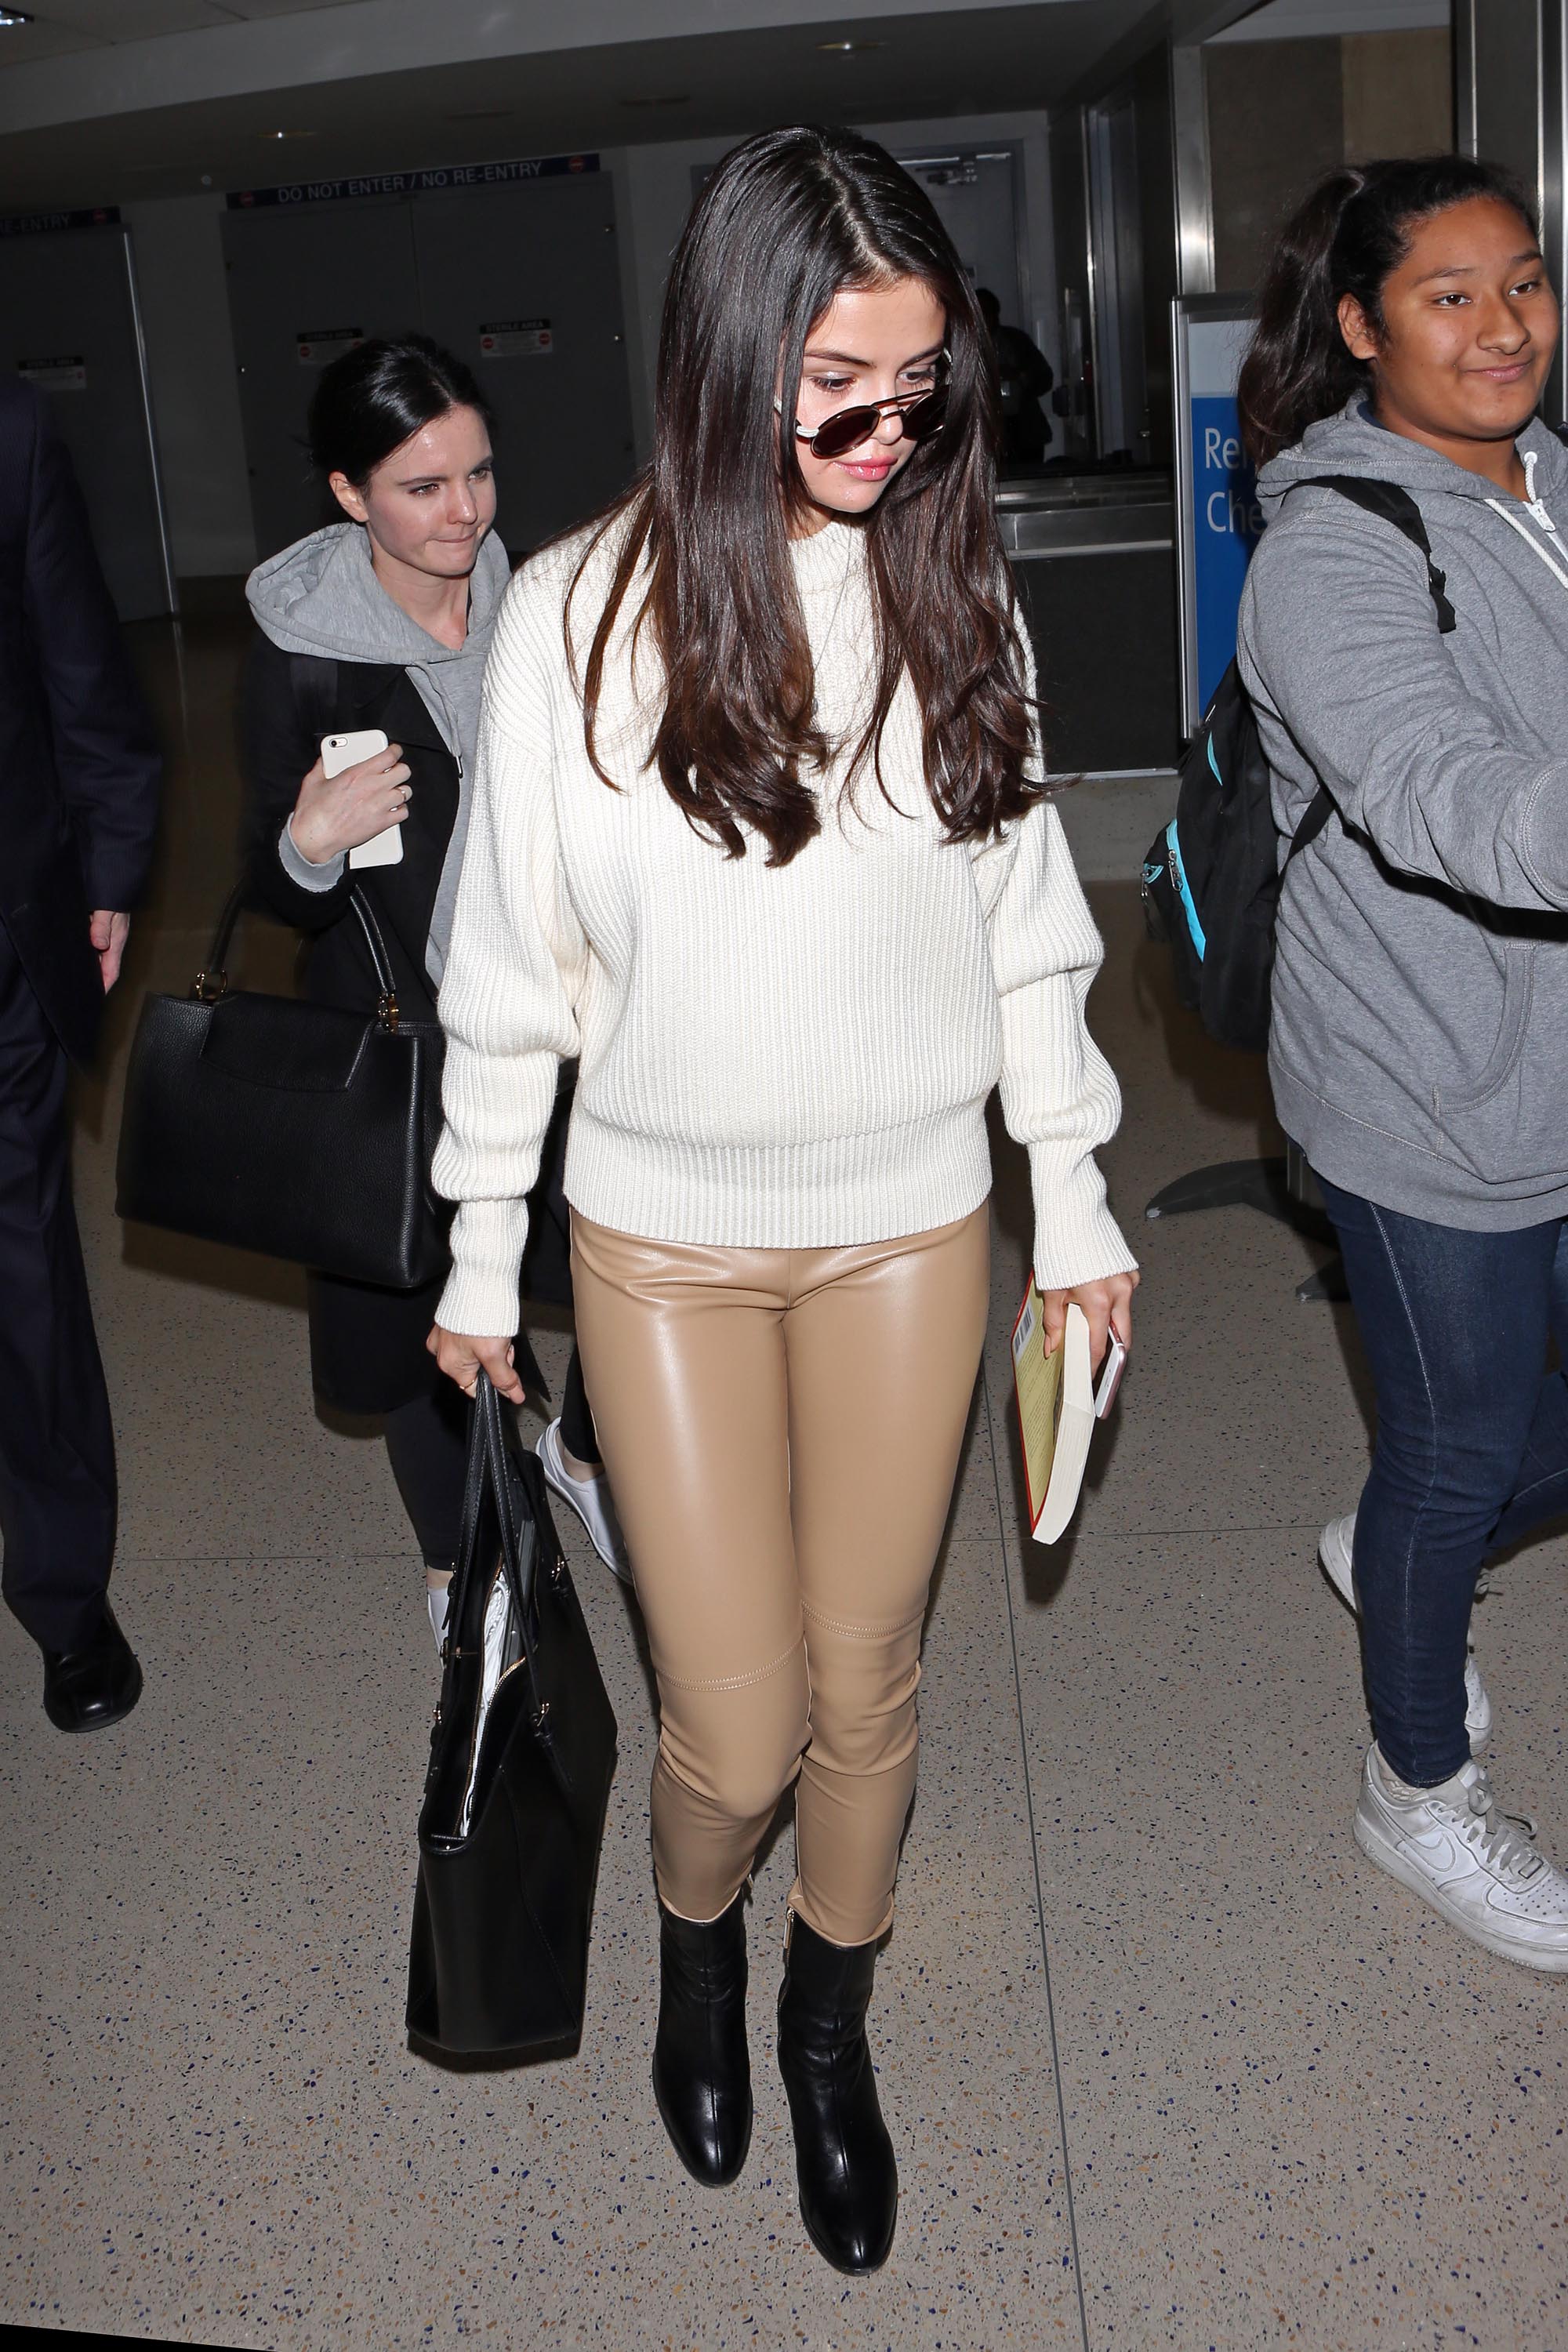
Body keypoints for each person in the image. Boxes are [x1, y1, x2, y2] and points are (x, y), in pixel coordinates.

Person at [429, 126, 1136, 2271]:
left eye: (923, 389)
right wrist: (481, 1246)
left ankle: (825, 2020)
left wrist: (1079, 1200)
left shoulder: (951, 572)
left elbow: (1031, 926)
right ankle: (697, 1946)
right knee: (726, 1720)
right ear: (729, 353)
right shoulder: (574, 616)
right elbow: (505, 975)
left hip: (918, 1225)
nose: (886, 430)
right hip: (657, 1246)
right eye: (842, 381)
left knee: (872, 1681)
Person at [1236, 156, 1568, 1972]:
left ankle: (1396, 1547)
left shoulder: (1550, 488)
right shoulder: (1329, 551)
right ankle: (1415, 1786)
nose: (1500, 324)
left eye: (1518, 281)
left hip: (1558, 1060)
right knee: (1459, 1452)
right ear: (1359, 328)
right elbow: (1459, 810)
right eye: (1444, 294)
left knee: (1480, 1455)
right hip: (1428, 1083)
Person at [239, 335, 626, 1650]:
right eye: (421, 487)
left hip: (554, 1018)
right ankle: (464, 1549)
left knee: (623, 1272)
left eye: (479, 475)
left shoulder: (538, 606)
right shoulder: (298, 655)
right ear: (349, 495)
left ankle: (576, 1451)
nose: (465, 512)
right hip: (397, 1043)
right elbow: (264, 887)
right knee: (415, 1307)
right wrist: (311, 836)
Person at [0, 379, 162, 1733]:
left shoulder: (8, 431)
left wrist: (110, 865)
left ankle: (62, 1595)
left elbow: (79, 667)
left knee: (23, 1281)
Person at [976, 285, 1054, 466]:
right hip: (985, 432)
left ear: (996, 314)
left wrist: (1018, 374)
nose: (984, 319)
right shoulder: (963, 345)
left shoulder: (1017, 341)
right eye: (979, 313)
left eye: (988, 313)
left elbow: (1044, 379)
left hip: (1023, 429)